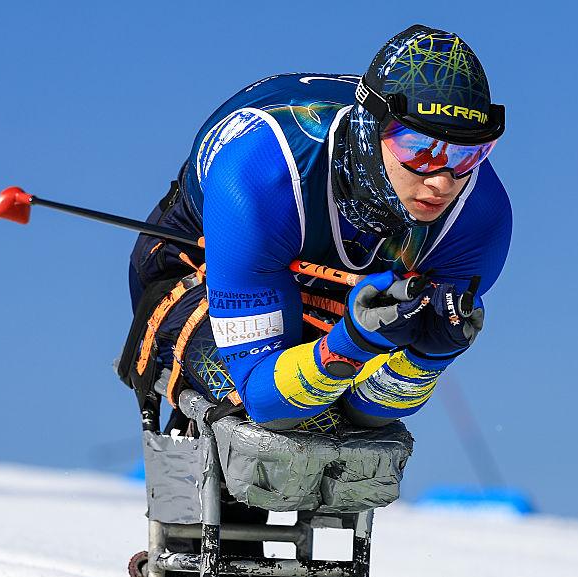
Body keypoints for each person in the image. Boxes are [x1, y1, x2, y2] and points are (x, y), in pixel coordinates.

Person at [121, 24, 511, 436]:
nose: (444, 182)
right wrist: (351, 346)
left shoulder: (480, 217)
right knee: (268, 427)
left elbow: (368, 416)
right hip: (201, 262)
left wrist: (425, 360)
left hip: (338, 286)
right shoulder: (262, 175)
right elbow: (262, 400)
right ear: (371, 128)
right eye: (419, 150)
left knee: (351, 436)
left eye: (470, 154)